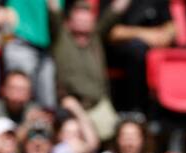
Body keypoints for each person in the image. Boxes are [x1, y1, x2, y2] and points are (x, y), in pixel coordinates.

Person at [51, 0, 129, 141]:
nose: (83, 23)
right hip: (71, 106)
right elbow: (54, 8)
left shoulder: (96, 37)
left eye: (86, 20)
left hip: (98, 104)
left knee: (118, 137)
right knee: (72, 139)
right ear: (70, 21)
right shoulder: (61, 36)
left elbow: (116, 10)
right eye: (79, 19)